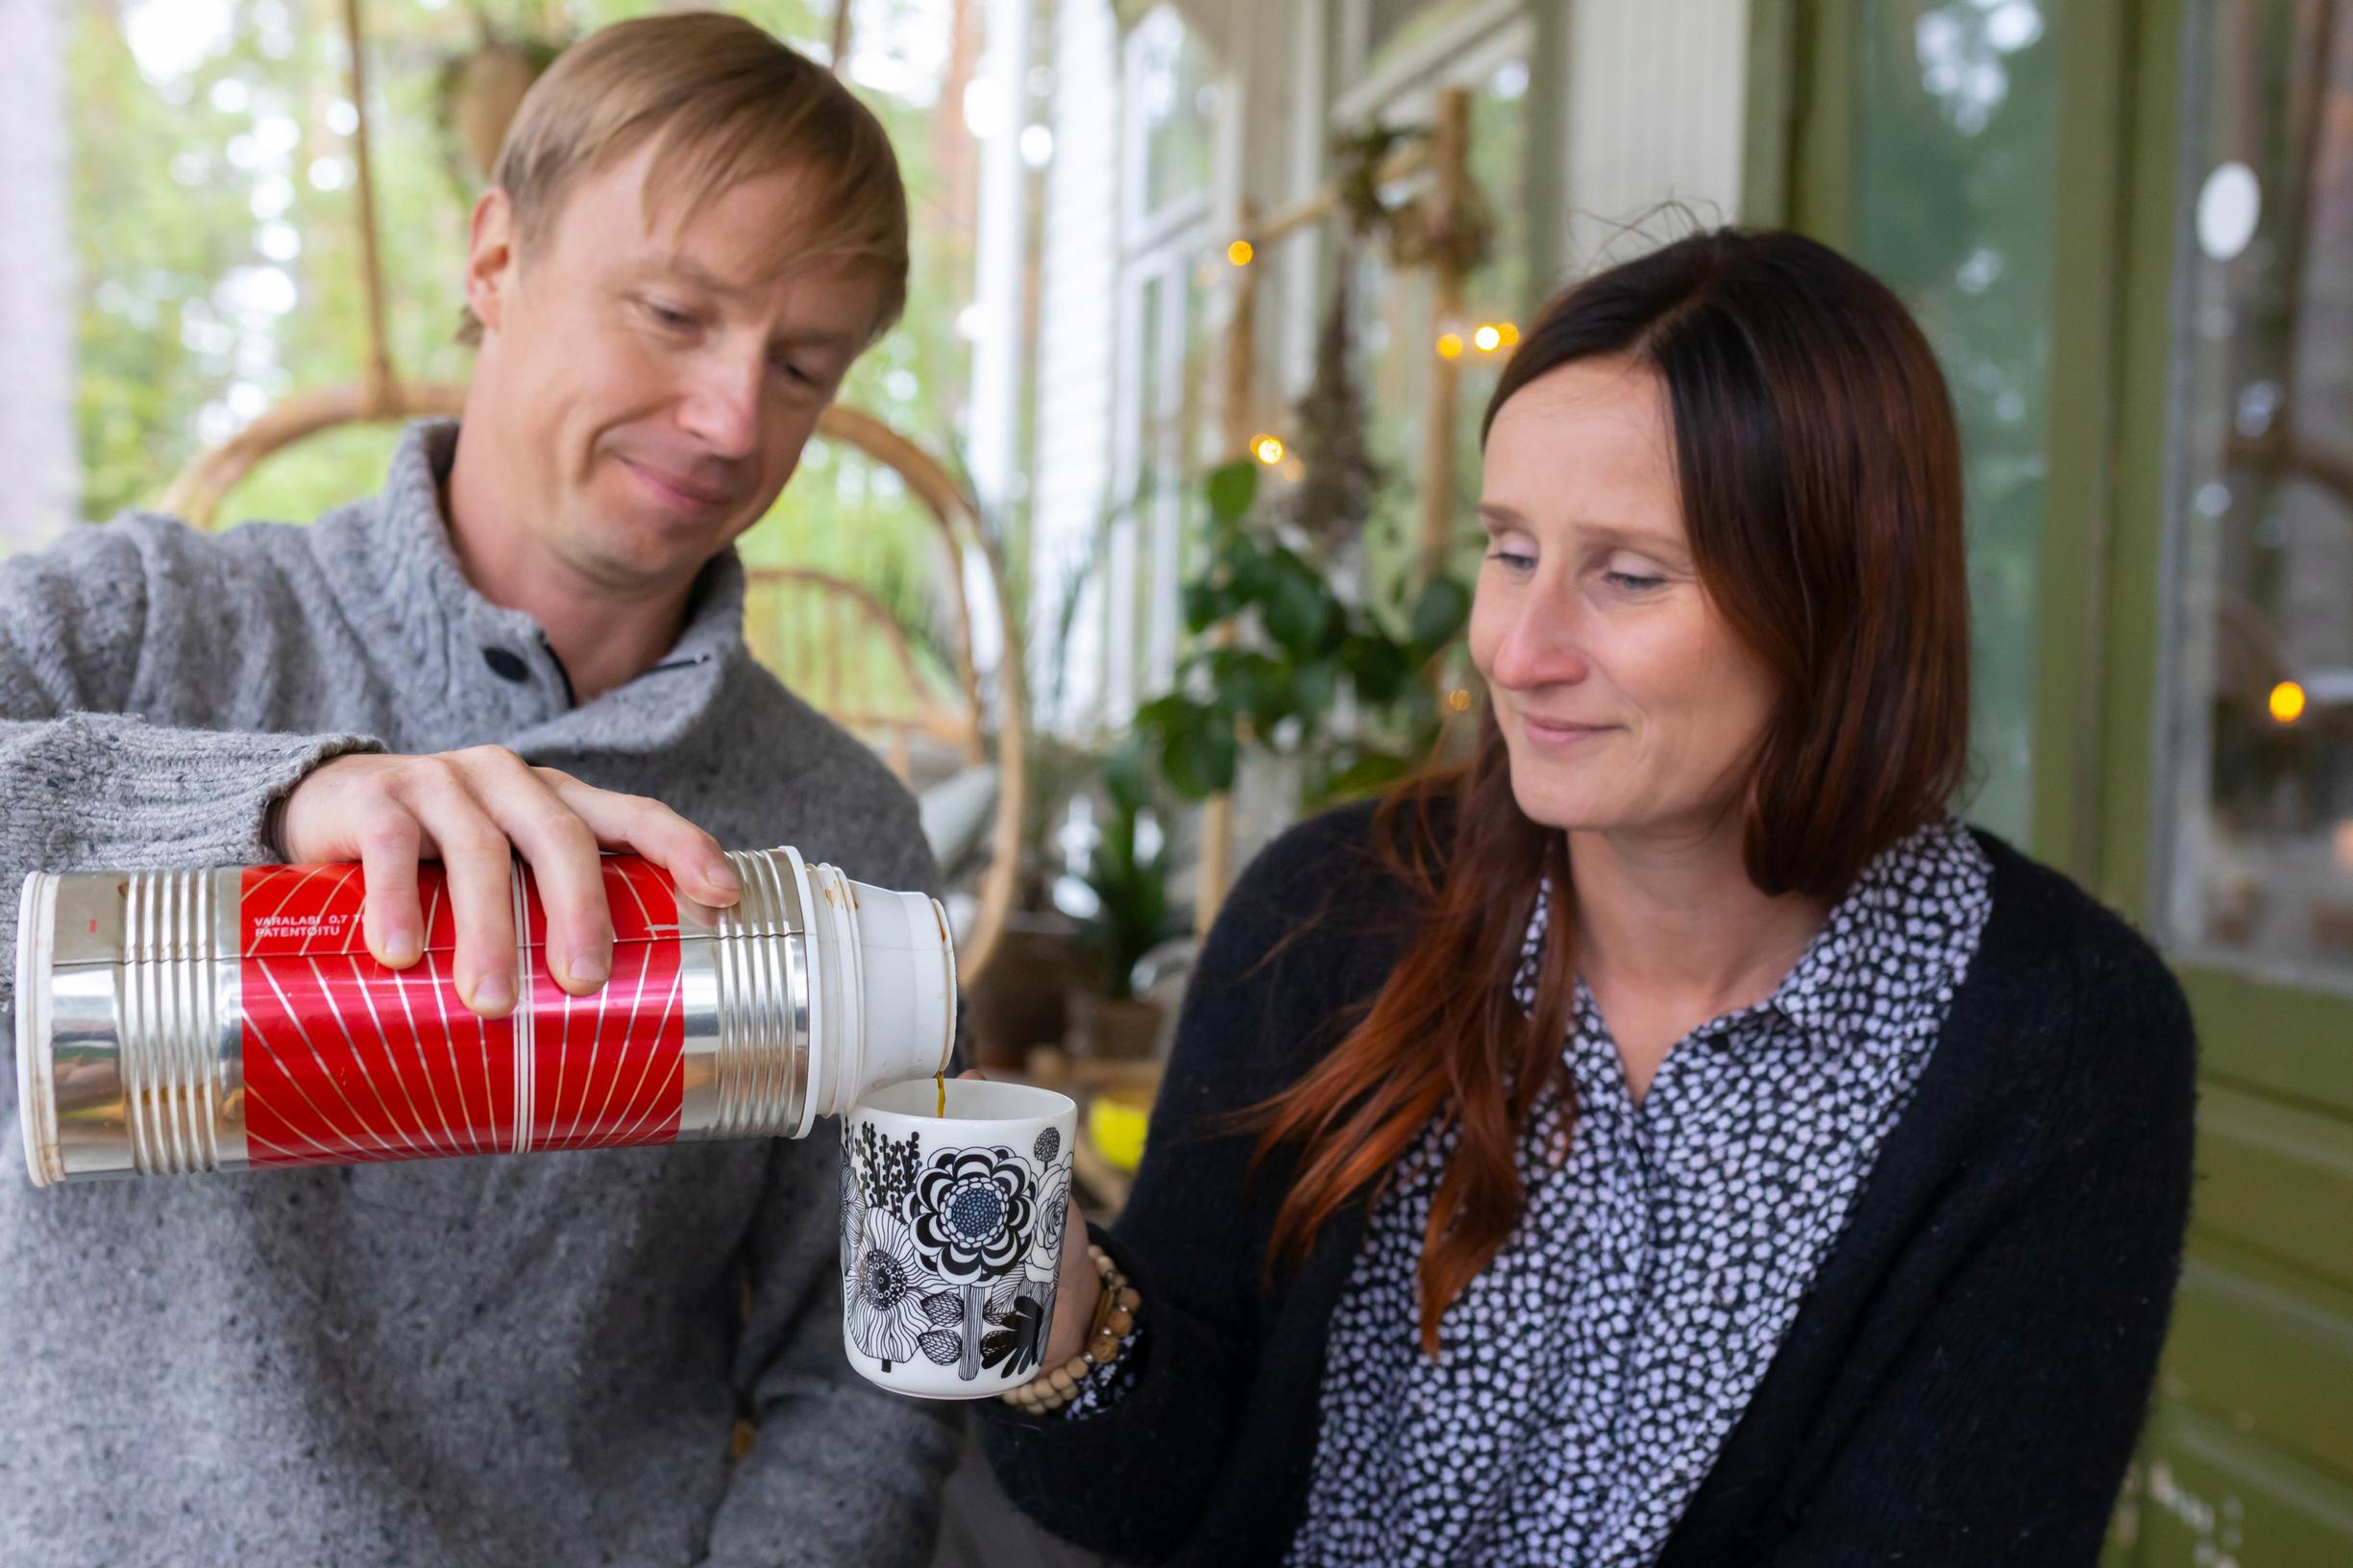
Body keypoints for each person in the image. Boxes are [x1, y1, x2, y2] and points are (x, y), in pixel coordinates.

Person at [978, 229, 2197, 1566]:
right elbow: (1146, 1501)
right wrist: (1063, 1320)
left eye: (1624, 574)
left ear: (1839, 605)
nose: (1516, 647)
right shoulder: (1329, 916)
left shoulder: (2060, 1046)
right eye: (1509, 550)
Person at [0, 15, 959, 1566]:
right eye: (672, 313)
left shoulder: (836, 831)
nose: (732, 421)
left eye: (801, 365)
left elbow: (869, 1362)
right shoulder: (157, 632)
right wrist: (274, 802)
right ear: (497, 260)